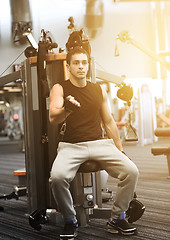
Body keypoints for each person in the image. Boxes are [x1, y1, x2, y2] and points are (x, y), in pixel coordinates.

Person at [49, 46, 139, 239]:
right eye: (76, 63)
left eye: (84, 62)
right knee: (57, 178)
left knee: (131, 171)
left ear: (88, 65)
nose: (81, 67)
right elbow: (53, 118)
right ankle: (70, 219)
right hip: (71, 146)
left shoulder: (98, 89)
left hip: (100, 144)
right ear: (68, 66)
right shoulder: (60, 88)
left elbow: (108, 121)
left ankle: (117, 217)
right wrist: (68, 109)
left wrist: (120, 149)